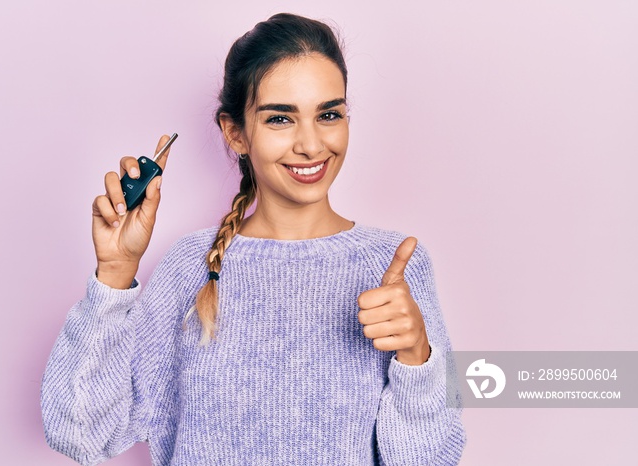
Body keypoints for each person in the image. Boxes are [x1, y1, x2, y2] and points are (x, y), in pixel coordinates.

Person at [41, 12, 466, 466]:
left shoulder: (394, 267)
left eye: (329, 114)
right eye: (281, 119)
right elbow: (81, 433)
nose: (311, 143)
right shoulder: (191, 266)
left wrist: (416, 358)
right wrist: (114, 276)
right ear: (236, 133)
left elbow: (432, 459)